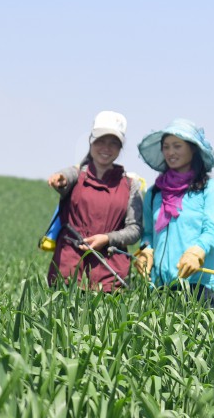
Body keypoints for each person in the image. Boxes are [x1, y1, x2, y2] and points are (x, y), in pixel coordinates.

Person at [46, 111, 142, 292]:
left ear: (121, 148)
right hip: (69, 270)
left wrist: (107, 238)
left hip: (110, 276)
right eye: (101, 141)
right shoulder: (76, 175)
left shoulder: (131, 185)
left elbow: (135, 229)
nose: (106, 148)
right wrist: (59, 179)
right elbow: (64, 179)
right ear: (91, 141)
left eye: (114, 143)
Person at [135, 118, 214, 305]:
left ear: (193, 149)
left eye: (177, 146)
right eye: (166, 147)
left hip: (199, 285)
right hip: (161, 287)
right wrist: (146, 250)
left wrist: (197, 252)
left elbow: (213, 230)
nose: (170, 152)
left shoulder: (210, 189)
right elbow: (149, 233)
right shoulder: (154, 193)